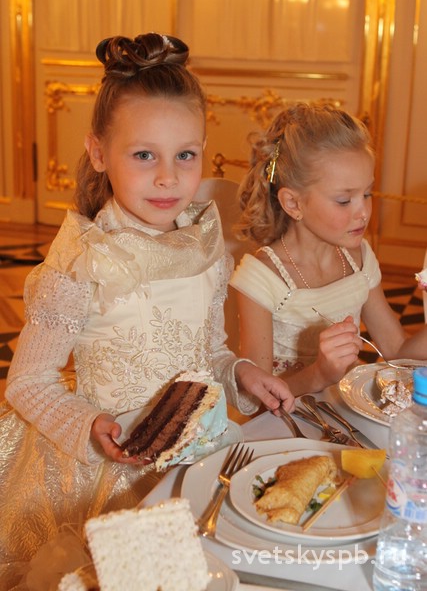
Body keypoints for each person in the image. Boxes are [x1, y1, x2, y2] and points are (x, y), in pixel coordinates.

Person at [0, 33, 294, 590]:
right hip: (108, 469)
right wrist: (89, 425)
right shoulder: (83, 259)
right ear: (98, 153)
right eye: (143, 155)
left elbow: (208, 352)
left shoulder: (204, 243)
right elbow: (28, 382)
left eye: (185, 154)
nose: (168, 177)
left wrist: (241, 374)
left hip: (196, 451)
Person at [230, 101, 427, 396]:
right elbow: (258, 397)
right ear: (293, 203)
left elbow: (398, 351)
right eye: (344, 201)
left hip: (346, 409)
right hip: (287, 418)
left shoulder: (358, 259)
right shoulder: (261, 279)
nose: (363, 212)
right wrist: (320, 374)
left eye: (367, 194)